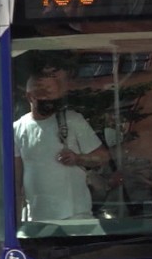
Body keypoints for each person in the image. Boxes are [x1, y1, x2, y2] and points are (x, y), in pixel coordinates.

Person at [14, 68, 109, 221]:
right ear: (30, 97)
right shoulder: (18, 129)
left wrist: (78, 159)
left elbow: (102, 157)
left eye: (52, 93)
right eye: (43, 94)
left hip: (76, 217)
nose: (48, 98)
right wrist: (16, 221)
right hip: (37, 219)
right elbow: (16, 180)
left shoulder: (73, 120)